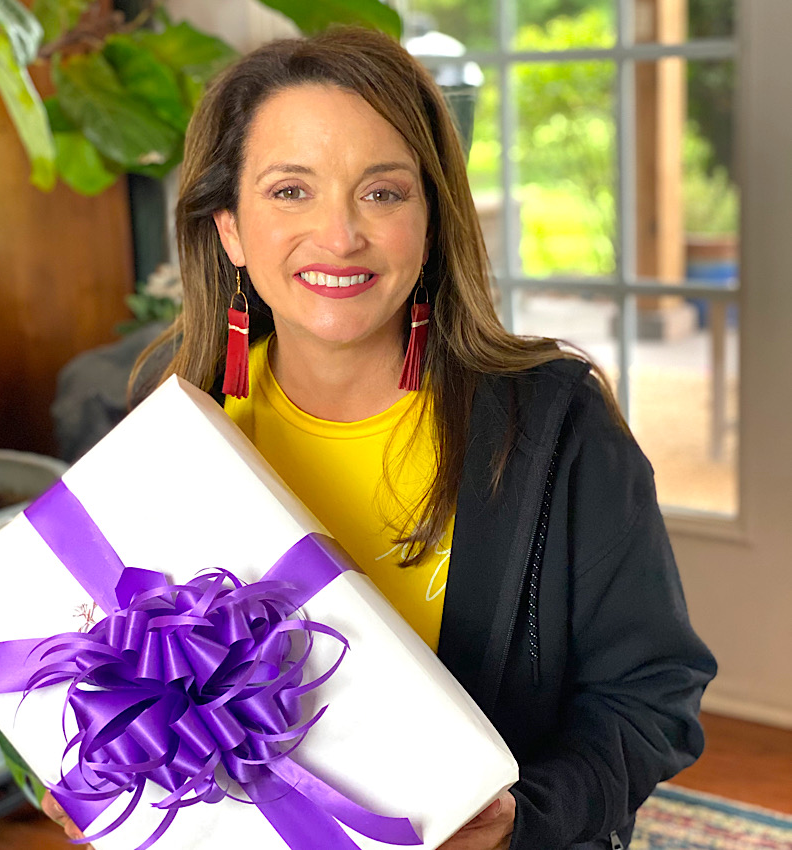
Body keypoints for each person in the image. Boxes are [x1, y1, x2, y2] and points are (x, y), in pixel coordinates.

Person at [43, 26, 716, 850]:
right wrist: (96, 776)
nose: (339, 235)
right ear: (229, 228)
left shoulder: (554, 424)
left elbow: (654, 696)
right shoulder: (175, 432)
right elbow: (119, 669)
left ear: (430, 217)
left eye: (383, 192)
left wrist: (521, 819)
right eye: (291, 190)